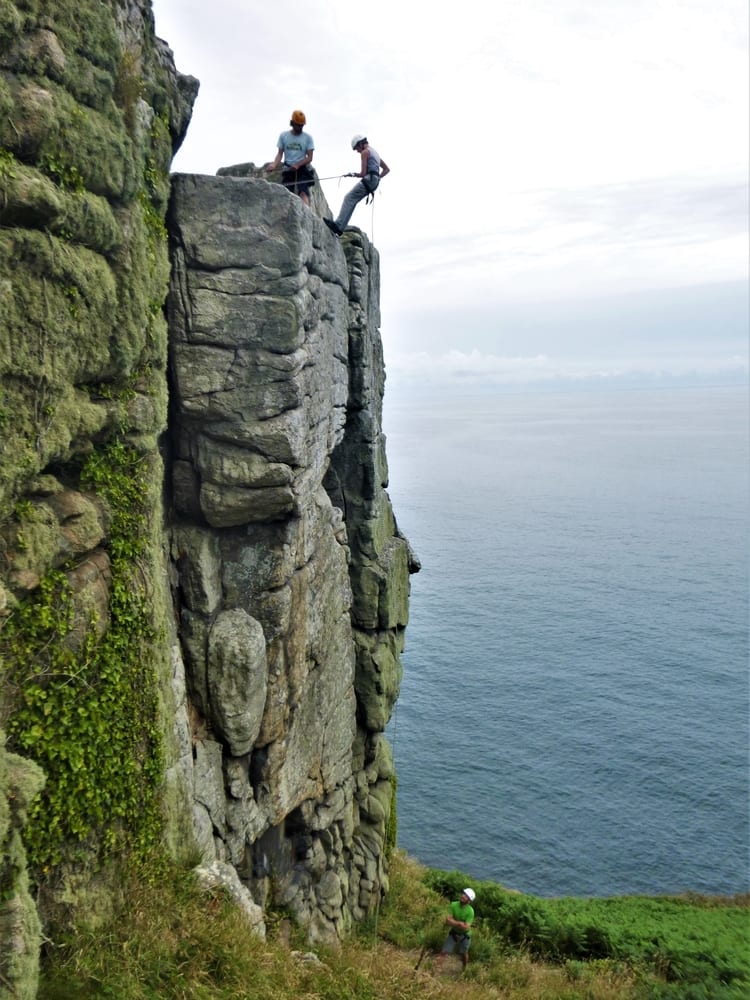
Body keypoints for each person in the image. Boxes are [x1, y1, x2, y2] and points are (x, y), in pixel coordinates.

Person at [324, 134, 389, 236]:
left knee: (348, 198)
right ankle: (340, 228)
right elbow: (386, 169)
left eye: (356, 148)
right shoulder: (375, 153)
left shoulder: (365, 152)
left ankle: (338, 226)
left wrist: (353, 174)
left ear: (360, 144)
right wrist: (378, 178)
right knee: (352, 200)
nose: (357, 151)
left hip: (369, 180)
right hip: (374, 182)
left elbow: (363, 173)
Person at [266, 110, 315, 206]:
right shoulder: (284, 136)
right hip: (288, 168)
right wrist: (274, 164)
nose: (300, 127)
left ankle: (307, 215)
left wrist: (297, 165)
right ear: (292, 123)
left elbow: (310, 157)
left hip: (302, 169)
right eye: (298, 125)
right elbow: (280, 153)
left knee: (303, 191)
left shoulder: (308, 138)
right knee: (286, 193)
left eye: (302, 125)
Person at [435, 887, 476, 971]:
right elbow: (447, 921)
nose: (463, 896)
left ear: (469, 900)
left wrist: (453, 922)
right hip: (454, 933)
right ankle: (435, 970)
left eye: (466, 896)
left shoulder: (470, 911)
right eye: (463, 894)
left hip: (465, 935)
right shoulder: (453, 904)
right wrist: (459, 923)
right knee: (444, 952)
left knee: (463, 954)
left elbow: (466, 927)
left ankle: (464, 969)